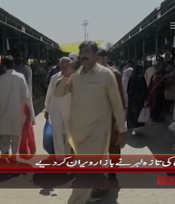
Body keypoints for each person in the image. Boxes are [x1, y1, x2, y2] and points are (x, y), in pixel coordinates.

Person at [54, 41, 126, 203]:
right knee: (90, 168)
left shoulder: (106, 75)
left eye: (87, 51)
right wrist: (67, 75)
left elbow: (117, 104)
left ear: (95, 55)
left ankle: (76, 201)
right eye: (81, 52)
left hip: (98, 132)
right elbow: (58, 94)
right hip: (77, 133)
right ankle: (103, 184)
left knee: (84, 170)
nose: (83, 55)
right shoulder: (76, 76)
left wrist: (122, 129)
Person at [0, 56, 35, 157]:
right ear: (14, 65)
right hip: (17, 113)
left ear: (3, 66)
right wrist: (32, 114)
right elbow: (27, 97)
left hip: (4, 112)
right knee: (16, 136)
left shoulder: (0, 79)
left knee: (5, 137)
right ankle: (14, 156)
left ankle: (5, 153)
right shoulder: (20, 77)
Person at [97, 48, 125, 178]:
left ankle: (113, 172)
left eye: (98, 59)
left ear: (105, 58)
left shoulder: (114, 74)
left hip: (111, 118)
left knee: (113, 146)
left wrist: (119, 121)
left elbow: (120, 99)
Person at [44, 57, 72, 159]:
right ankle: (60, 158)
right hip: (55, 108)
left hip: (69, 109)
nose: (64, 69)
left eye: (66, 67)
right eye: (62, 67)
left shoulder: (75, 78)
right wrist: (47, 109)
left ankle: (68, 156)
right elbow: (49, 94)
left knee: (68, 135)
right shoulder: (54, 78)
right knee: (57, 134)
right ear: (60, 66)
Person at [127, 63, 148, 129]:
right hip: (139, 98)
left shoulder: (131, 77)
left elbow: (129, 89)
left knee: (132, 111)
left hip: (132, 98)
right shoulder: (141, 77)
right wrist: (145, 98)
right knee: (138, 111)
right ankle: (137, 124)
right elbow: (144, 88)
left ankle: (131, 123)